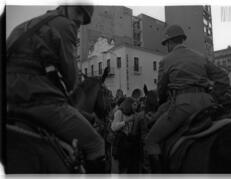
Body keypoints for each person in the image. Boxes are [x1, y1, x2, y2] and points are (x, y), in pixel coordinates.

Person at [6, 5, 106, 173]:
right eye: (79, 11)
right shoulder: (65, 25)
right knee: (96, 145)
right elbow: (71, 79)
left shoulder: (22, 26)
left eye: (84, 18)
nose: (80, 20)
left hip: (8, 100)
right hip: (39, 100)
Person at [144, 24, 230, 173]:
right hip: (208, 104)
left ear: (170, 42)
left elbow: (161, 91)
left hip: (182, 106)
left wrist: (163, 103)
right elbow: (223, 77)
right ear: (182, 39)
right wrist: (213, 96)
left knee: (151, 141)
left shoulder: (166, 60)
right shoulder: (201, 57)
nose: (167, 47)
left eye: (166, 44)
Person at [111, 97, 140, 173]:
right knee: (120, 166)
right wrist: (125, 121)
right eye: (134, 104)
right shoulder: (119, 112)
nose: (136, 107)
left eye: (136, 105)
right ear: (129, 104)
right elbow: (114, 127)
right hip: (121, 143)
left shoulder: (134, 114)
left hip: (129, 143)